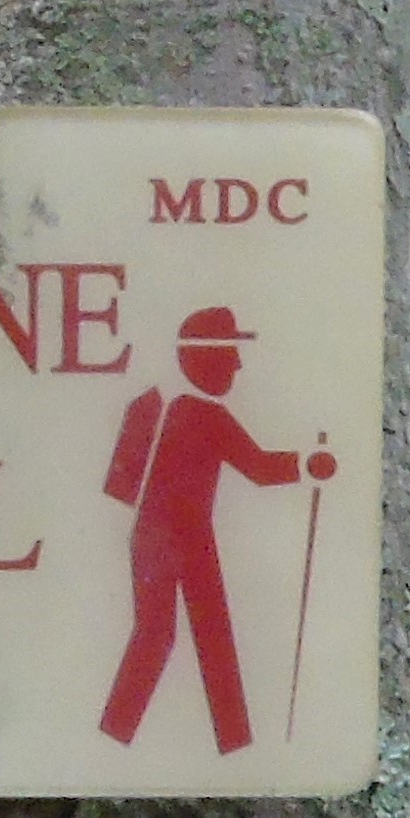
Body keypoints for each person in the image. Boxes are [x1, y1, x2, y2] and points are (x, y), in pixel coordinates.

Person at [100, 306, 333, 754]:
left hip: (164, 536)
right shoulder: (202, 415)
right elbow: (260, 468)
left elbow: (118, 486)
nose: (238, 364)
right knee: (176, 636)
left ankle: (214, 743)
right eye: (230, 353)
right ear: (203, 358)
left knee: (195, 636)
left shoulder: (147, 403)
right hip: (173, 537)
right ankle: (127, 738)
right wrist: (309, 465)